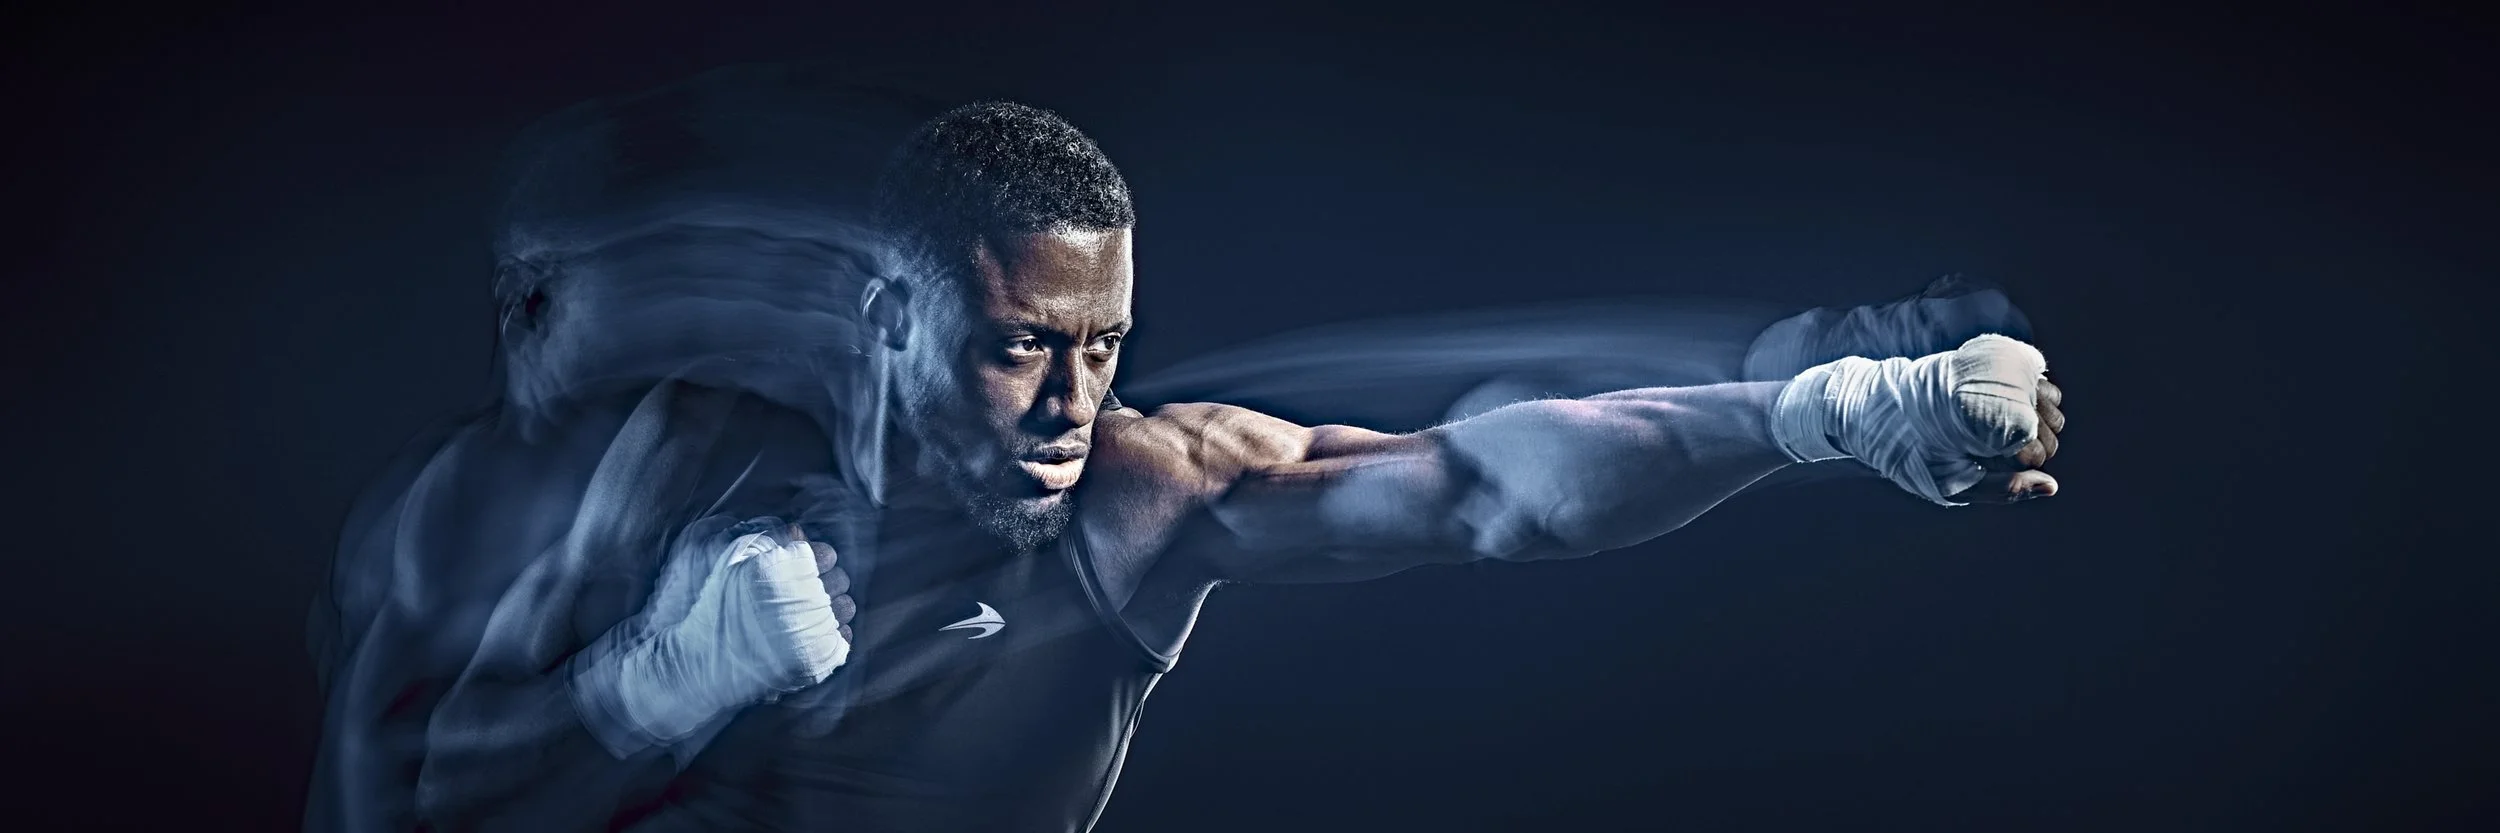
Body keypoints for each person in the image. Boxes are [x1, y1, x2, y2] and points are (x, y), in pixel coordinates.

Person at [324, 100, 2067, 832]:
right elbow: (406, 805)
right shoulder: (686, 463)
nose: (1069, 402)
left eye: (1103, 345)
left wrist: (1824, 418)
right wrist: (651, 682)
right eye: (1019, 345)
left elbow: (1482, 488)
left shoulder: (1143, 507)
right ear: (883, 316)